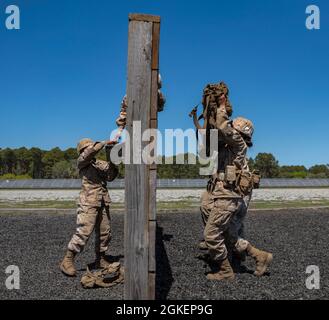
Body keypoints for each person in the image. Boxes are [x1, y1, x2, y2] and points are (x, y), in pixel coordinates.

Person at [204, 106, 272, 281]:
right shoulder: (229, 147)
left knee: (226, 234)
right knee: (227, 232)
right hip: (232, 196)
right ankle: (254, 256)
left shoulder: (238, 144)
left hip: (233, 197)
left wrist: (220, 107)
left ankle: (235, 263)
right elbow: (211, 140)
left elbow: (222, 127)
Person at [60, 138, 119, 277]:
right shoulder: (82, 162)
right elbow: (89, 153)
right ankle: (67, 260)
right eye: (87, 147)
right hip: (88, 202)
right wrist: (104, 142)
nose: (89, 149)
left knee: (105, 232)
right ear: (82, 151)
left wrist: (111, 154)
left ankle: (101, 259)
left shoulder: (98, 163)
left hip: (102, 200)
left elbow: (111, 175)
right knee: (84, 232)